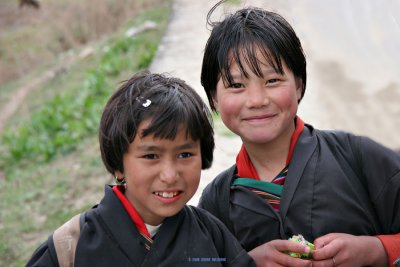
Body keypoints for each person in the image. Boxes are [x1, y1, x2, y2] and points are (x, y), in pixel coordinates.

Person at [198, 1, 400, 267]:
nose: (256, 100)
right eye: (236, 85)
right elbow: (197, 260)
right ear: (213, 98)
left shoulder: (358, 157)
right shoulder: (216, 203)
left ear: (299, 86)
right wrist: (244, 262)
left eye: (272, 81)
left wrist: (379, 249)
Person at [27, 71, 255, 266]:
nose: (169, 175)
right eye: (150, 156)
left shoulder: (212, 235)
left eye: (185, 154)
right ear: (119, 166)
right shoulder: (70, 248)